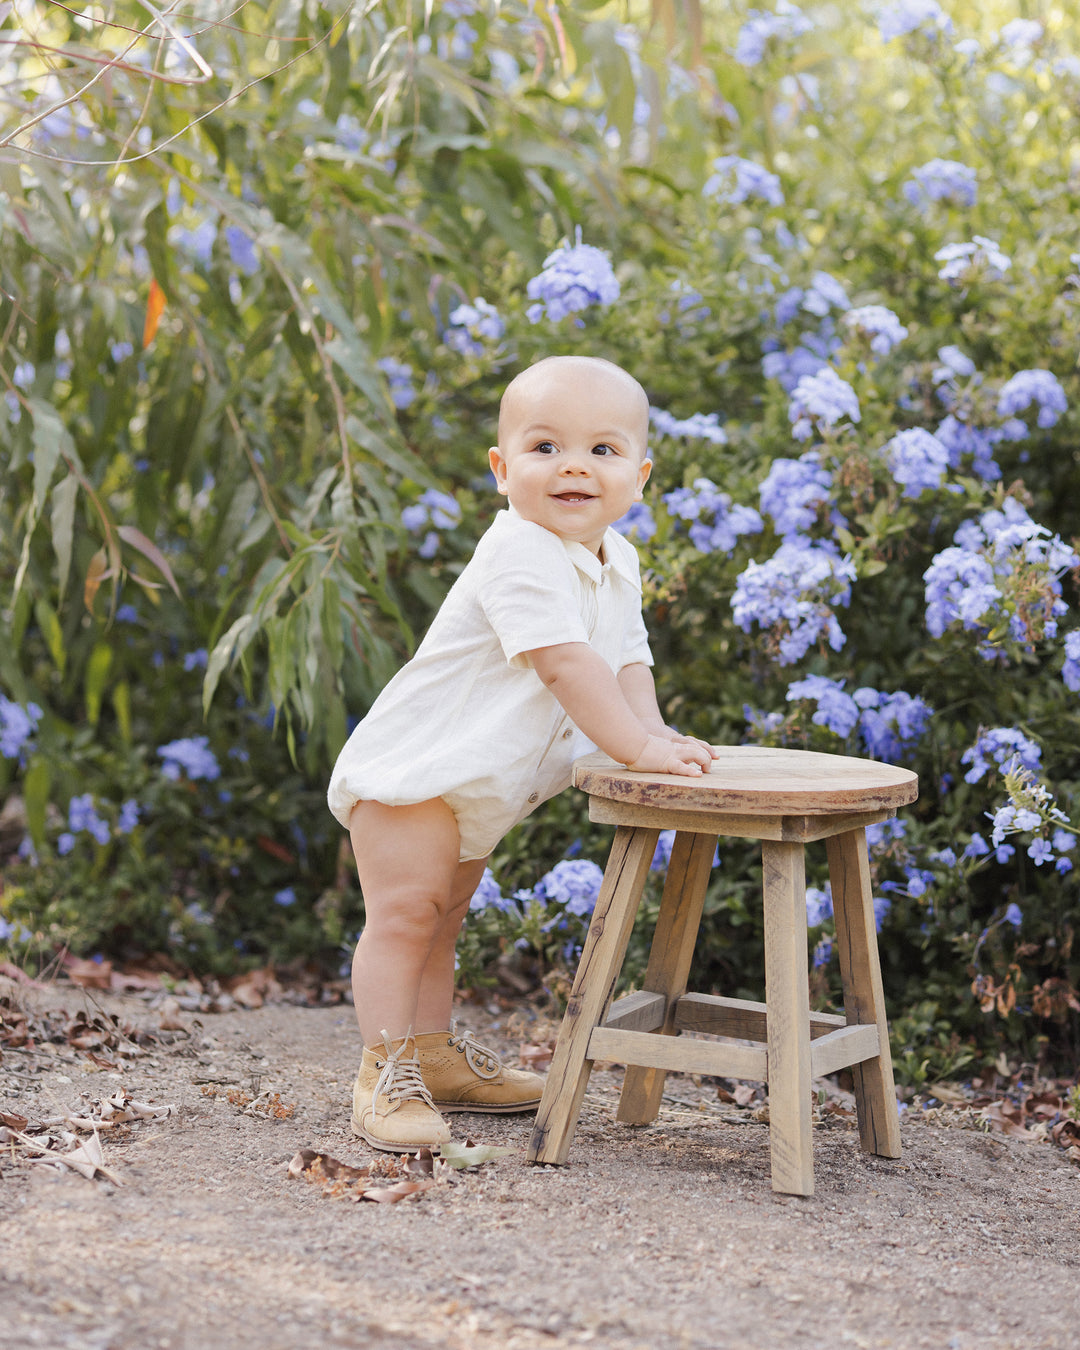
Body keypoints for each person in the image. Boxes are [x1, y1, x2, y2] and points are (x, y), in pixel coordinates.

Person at [327, 354, 717, 1151]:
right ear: (503, 471)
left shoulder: (620, 560)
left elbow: (626, 660)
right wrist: (636, 747)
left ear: (638, 477)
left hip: (480, 782)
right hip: (416, 769)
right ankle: (383, 1071)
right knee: (404, 918)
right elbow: (565, 663)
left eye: (602, 451)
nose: (573, 464)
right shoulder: (520, 551)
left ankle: (432, 1055)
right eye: (545, 448)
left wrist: (658, 735)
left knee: (445, 921)